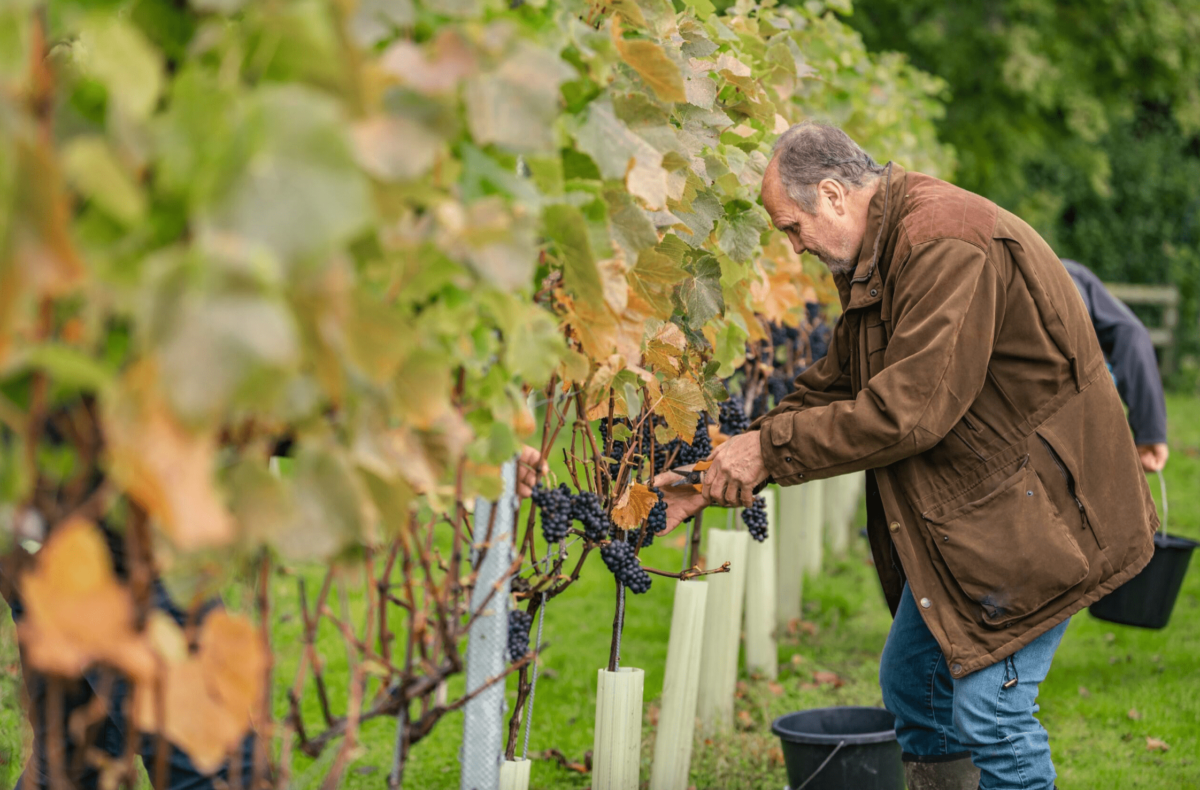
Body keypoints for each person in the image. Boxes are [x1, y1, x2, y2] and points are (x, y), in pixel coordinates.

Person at [655, 122, 1157, 790]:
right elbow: (836, 386)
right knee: (915, 687)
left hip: (1042, 517)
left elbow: (906, 413)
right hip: (994, 508)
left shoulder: (942, 243)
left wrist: (766, 449)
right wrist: (716, 468)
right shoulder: (883, 253)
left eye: (790, 227)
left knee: (995, 716)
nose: (794, 246)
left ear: (833, 195)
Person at [1063, 259, 1169, 473]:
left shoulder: (988, 267)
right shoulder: (1069, 273)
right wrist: (1150, 430)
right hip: (1084, 433)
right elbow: (1132, 333)